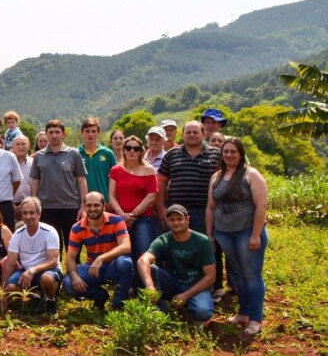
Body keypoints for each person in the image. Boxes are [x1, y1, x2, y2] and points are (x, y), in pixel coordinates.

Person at [206, 138, 268, 336]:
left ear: (241, 153)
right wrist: (210, 234)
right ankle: (243, 313)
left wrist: (256, 234)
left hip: (247, 231)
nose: (229, 155)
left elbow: (261, 206)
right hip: (223, 233)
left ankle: (256, 319)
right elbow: (210, 207)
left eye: (233, 151)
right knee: (238, 275)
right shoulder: (217, 177)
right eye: (226, 152)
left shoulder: (251, 174)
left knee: (251, 275)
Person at [158, 120, 223, 294]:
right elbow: (162, 183)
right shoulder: (171, 154)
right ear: (183, 135)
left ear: (204, 134)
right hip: (176, 212)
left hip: (205, 211)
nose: (192, 135)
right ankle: (176, 283)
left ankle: (215, 287)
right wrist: (162, 208)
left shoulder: (217, 154)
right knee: (175, 247)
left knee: (210, 247)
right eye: (189, 132)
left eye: (196, 132)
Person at [137, 205, 215, 327]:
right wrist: (149, 286)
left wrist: (186, 295)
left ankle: (190, 308)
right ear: (167, 222)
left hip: (196, 286)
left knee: (203, 313)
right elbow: (143, 260)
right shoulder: (164, 240)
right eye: (172, 220)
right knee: (151, 269)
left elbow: (210, 277)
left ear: (187, 220)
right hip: (173, 283)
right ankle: (160, 311)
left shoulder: (202, 241)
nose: (176, 222)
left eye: (179, 219)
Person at [61, 192, 134, 311]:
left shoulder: (116, 220)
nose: (92, 209)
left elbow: (126, 247)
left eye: (96, 205)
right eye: (89, 205)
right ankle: (100, 296)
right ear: (84, 206)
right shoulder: (77, 228)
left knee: (125, 262)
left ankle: (119, 304)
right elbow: (70, 257)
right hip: (92, 268)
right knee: (68, 283)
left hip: (113, 266)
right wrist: (74, 276)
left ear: (104, 205)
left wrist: (101, 258)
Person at [30, 120, 87, 250]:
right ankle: (55, 269)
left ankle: (73, 269)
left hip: (70, 206)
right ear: (47, 134)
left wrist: (83, 206)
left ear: (63, 134)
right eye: (51, 132)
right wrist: (34, 204)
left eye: (57, 132)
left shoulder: (73, 154)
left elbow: (81, 180)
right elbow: (35, 182)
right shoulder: (39, 156)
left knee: (73, 243)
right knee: (52, 246)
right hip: (46, 207)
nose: (54, 135)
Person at [0, 196, 62, 315]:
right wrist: (3, 292)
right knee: (11, 287)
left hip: (48, 270)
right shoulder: (18, 235)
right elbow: (10, 264)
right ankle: (36, 297)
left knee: (47, 279)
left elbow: (53, 261)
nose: (28, 217)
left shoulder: (49, 232)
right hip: (26, 271)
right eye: (25, 213)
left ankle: (50, 300)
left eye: (32, 213)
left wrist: (33, 270)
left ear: (39, 214)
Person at [108, 135, 159, 261]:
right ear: (124, 150)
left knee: (143, 253)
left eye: (136, 149)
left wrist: (132, 215)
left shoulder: (148, 169)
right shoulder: (116, 170)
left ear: (141, 151)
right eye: (128, 148)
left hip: (144, 217)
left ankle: (144, 281)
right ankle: (126, 281)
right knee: (124, 255)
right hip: (120, 218)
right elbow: (112, 196)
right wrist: (122, 215)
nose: (132, 151)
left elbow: (151, 196)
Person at [77, 117, 117, 203]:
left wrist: (112, 200)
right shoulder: (75, 154)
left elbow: (116, 179)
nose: (90, 134)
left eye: (93, 131)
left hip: (104, 202)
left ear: (99, 133)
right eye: (87, 131)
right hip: (82, 204)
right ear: (82, 132)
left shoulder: (108, 153)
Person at [11, 135, 33, 223]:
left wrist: (24, 205)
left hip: (30, 207)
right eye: (17, 144)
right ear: (13, 146)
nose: (20, 147)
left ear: (28, 145)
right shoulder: (7, 163)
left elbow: (39, 186)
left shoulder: (34, 163)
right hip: (10, 206)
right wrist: (11, 205)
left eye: (23, 144)